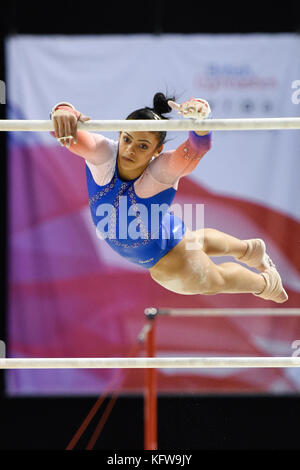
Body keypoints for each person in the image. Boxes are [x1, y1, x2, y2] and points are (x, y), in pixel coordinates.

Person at [51, 93, 288, 303]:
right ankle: (249, 249)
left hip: (166, 259)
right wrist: (63, 111)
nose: (131, 149)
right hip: (161, 230)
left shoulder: (161, 172)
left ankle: (266, 283)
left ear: (157, 151)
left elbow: (196, 150)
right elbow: (60, 130)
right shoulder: (102, 154)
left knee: (215, 281)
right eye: (127, 139)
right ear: (120, 133)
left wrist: (201, 125)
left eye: (143, 146)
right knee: (196, 242)